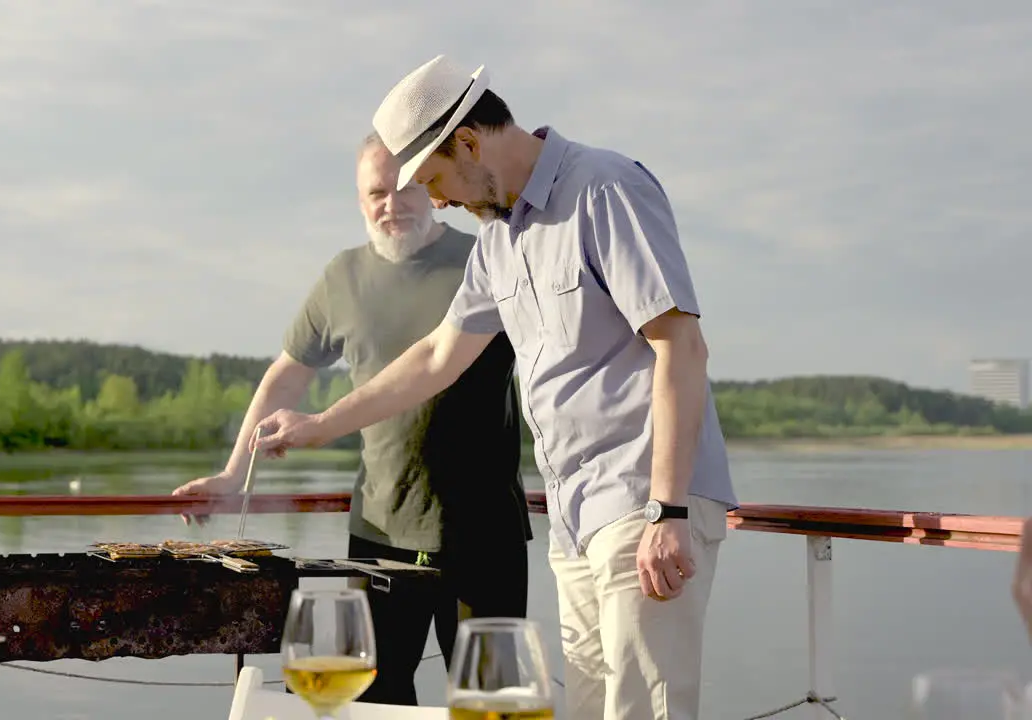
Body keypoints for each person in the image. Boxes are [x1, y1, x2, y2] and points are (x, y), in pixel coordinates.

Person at [249, 55, 740, 720]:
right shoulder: (497, 242)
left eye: (433, 179)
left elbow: (680, 344)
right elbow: (435, 359)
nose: (440, 200)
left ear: (470, 142)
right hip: (575, 516)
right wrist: (318, 424)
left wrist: (668, 510)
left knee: (644, 711)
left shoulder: (604, 188)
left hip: (641, 502)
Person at [172, 131, 532, 707]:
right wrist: (234, 473)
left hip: (484, 532)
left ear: (431, 186)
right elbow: (285, 378)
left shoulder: (484, 258)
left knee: (489, 702)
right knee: (371, 704)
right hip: (380, 536)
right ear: (360, 201)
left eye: (406, 187)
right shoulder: (341, 277)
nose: (392, 204)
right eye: (376, 193)